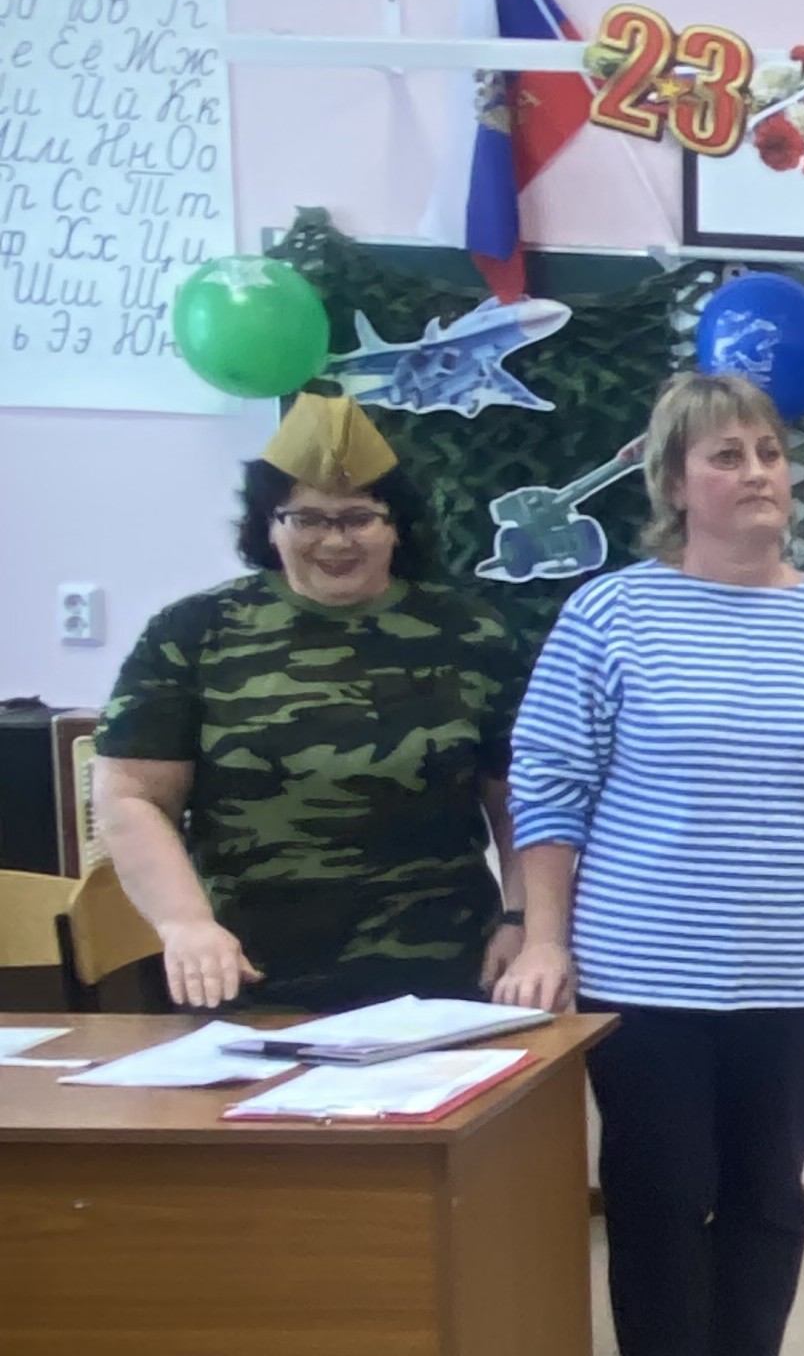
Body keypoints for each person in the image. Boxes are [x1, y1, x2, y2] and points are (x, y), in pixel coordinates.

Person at [495, 370, 804, 1356]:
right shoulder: (610, 617)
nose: (757, 473)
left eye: (768, 451)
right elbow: (549, 786)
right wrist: (543, 938)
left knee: (767, 1199)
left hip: (789, 975)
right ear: (673, 484)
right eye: (725, 456)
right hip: (645, 976)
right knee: (660, 1201)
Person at [91, 394, 526, 1012]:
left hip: (443, 976)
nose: (335, 540)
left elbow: (521, 799)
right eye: (307, 519)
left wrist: (522, 920)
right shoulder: (192, 633)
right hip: (245, 975)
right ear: (269, 525)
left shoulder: (471, 634)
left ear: (396, 525)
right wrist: (185, 923)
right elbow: (132, 795)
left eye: (359, 518)